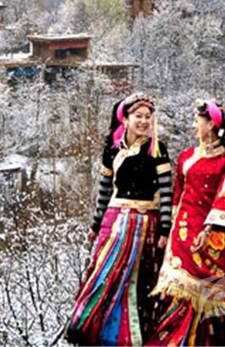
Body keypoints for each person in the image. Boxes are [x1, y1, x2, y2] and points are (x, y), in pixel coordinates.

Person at [66, 93, 172, 346]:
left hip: (146, 224)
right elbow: (104, 192)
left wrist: (165, 229)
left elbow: (167, 192)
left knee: (140, 283)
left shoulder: (157, 149)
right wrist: (95, 225)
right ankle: (97, 331)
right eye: (138, 116)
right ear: (125, 119)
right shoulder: (112, 150)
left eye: (148, 117)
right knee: (107, 275)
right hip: (114, 224)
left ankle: (132, 336)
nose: (144, 121)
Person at [148, 99, 225, 346]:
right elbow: (178, 194)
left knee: (206, 291)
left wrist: (209, 230)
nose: (194, 126)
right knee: (176, 286)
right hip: (182, 230)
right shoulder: (186, 156)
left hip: (210, 232)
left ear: (211, 124)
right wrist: (168, 227)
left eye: (197, 121)